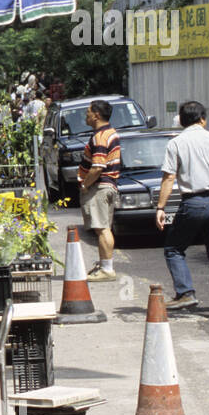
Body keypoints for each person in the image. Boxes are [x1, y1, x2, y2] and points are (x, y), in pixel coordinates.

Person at [154, 101, 209, 318]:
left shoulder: (177, 143)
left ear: (182, 121)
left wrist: (160, 207)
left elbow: (169, 177)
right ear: (203, 119)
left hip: (193, 202)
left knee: (174, 248)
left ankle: (185, 292)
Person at [78, 100, 120, 283]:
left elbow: (97, 166)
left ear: (96, 115)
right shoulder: (110, 133)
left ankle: (107, 269)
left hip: (100, 186)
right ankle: (105, 264)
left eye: (88, 112)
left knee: (102, 228)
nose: (86, 115)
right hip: (108, 185)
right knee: (103, 227)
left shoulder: (100, 137)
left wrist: (86, 184)